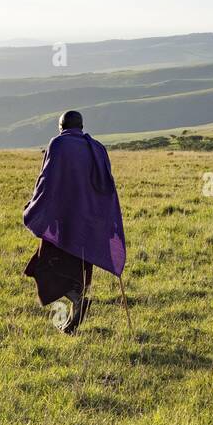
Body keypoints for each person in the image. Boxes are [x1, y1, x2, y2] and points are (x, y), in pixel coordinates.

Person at [22, 110, 126, 334]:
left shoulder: (58, 144)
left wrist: (33, 206)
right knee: (78, 264)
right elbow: (107, 188)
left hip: (63, 221)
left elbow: (46, 180)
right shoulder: (97, 148)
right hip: (88, 223)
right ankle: (73, 315)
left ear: (62, 127)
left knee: (45, 264)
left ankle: (77, 298)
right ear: (81, 126)